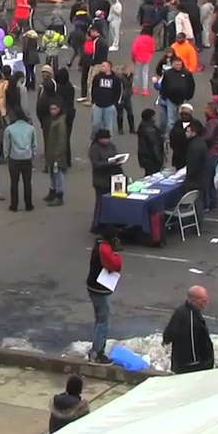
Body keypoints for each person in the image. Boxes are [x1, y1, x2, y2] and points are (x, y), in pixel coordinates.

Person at [85, 228, 123, 364]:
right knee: (103, 322)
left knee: (99, 320)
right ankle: (97, 353)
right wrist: (117, 256)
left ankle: (96, 350)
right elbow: (115, 265)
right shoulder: (105, 248)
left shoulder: (99, 245)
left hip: (93, 287)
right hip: (99, 289)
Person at [162, 285, 214, 374]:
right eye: (203, 300)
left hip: (179, 365)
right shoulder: (191, 319)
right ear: (193, 300)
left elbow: (167, 335)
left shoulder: (180, 311)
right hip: (192, 367)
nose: (206, 303)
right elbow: (193, 348)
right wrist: (205, 364)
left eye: (206, 299)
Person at [3, 107, 37, 212]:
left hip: (14, 158)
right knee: (27, 182)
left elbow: (6, 145)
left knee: (14, 183)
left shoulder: (9, 129)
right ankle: (28, 205)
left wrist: (6, 155)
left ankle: (14, 205)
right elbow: (34, 144)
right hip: (27, 158)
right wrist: (33, 155)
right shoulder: (31, 128)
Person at [88, 129, 121, 229]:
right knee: (101, 203)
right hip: (101, 180)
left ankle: (114, 222)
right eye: (104, 139)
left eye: (108, 138)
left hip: (115, 177)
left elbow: (116, 155)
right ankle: (97, 224)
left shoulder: (111, 145)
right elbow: (96, 164)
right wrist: (109, 163)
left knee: (116, 201)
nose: (107, 140)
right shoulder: (94, 149)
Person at [158, 56, 195, 133]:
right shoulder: (168, 73)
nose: (178, 66)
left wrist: (189, 96)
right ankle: (171, 136)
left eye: (180, 64)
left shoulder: (187, 73)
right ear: (172, 64)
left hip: (182, 99)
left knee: (182, 118)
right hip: (170, 99)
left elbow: (191, 85)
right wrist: (164, 96)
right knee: (171, 120)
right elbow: (164, 85)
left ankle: (180, 134)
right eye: (177, 64)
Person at [44, 101, 69, 207]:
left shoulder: (60, 122)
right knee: (52, 174)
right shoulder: (54, 120)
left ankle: (59, 195)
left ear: (59, 109)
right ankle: (52, 191)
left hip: (57, 154)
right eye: (51, 109)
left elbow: (61, 140)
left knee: (58, 175)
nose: (52, 111)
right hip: (51, 153)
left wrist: (58, 154)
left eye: (54, 109)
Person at [88, 60, 120, 138]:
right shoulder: (97, 77)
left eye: (103, 66)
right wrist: (93, 100)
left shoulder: (115, 79)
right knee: (96, 124)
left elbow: (118, 91)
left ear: (109, 67)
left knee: (108, 126)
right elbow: (93, 88)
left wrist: (115, 103)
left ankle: (108, 144)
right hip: (98, 105)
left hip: (109, 106)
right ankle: (95, 139)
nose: (101, 67)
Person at [136, 108, 165, 176]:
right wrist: (159, 160)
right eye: (153, 116)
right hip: (152, 159)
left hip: (145, 158)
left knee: (148, 175)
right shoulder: (150, 130)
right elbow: (155, 146)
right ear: (150, 118)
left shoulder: (143, 126)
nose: (155, 118)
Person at [131, 27, 155, 96]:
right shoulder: (151, 39)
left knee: (137, 73)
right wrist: (150, 56)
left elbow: (134, 49)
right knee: (145, 73)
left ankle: (135, 88)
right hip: (147, 58)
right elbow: (152, 49)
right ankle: (145, 89)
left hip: (138, 57)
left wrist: (133, 57)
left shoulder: (139, 38)